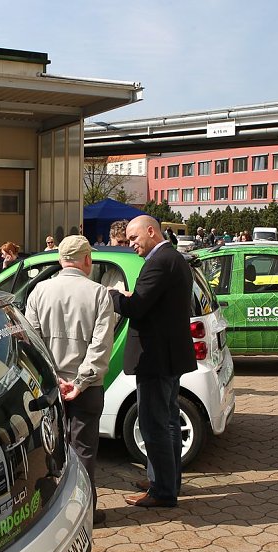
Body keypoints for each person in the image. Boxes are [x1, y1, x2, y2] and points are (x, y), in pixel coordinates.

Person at [25, 235, 114, 525]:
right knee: (85, 450)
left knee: (51, 450)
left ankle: (53, 512)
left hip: (50, 388)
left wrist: (54, 379)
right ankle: (85, 511)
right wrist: (79, 382)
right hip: (86, 389)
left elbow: (32, 342)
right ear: (87, 259)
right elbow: (101, 345)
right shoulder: (99, 293)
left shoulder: (39, 291)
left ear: (60, 260)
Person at [108, 215, 196, 508]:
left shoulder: (159, 261)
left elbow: (136, 306)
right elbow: (155, 301)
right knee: (167, 422)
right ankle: (165, 480)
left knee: (155, 424)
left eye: (134, 238)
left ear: (150, 231)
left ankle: (162, 491)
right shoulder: (174, 258)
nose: (130, 244)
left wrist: (115, 295)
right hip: (169, 356)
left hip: (157, 358)